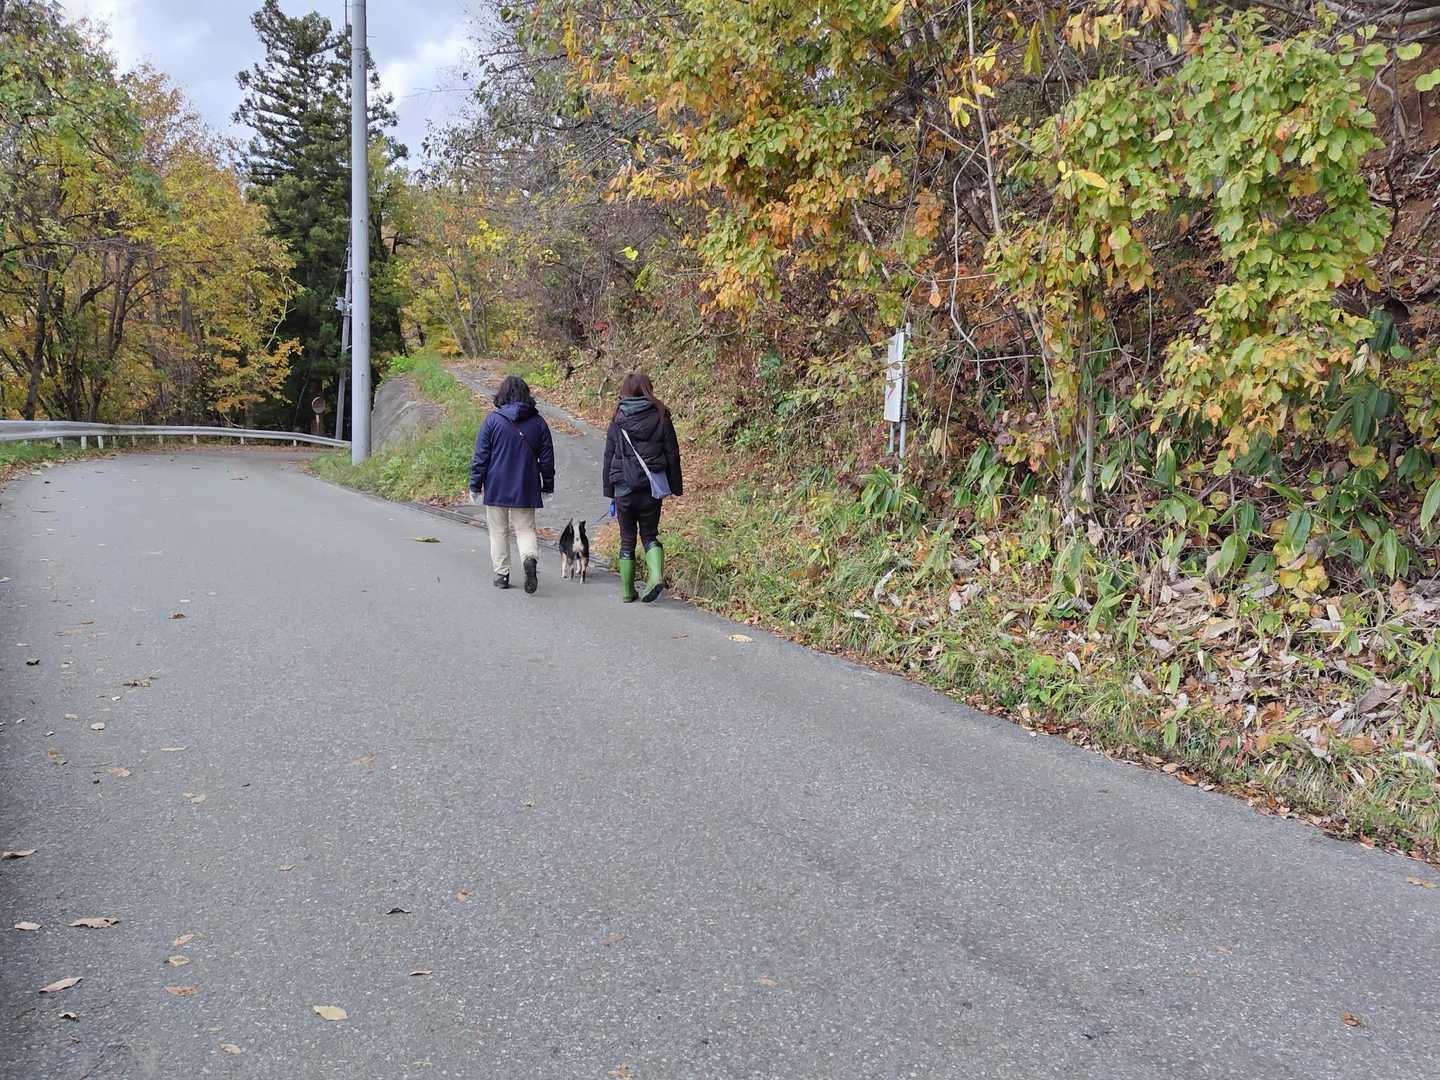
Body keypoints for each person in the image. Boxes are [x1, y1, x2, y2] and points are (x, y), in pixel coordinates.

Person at [469, 376, 555, 594]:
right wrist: (548, 485)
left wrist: (475, 485)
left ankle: (502, 574)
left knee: (498, 531)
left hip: (496, 483)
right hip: (526, 483)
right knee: (525, 529)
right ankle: (529, 558)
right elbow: (547, 459)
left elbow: (481, 457)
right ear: (527, 394)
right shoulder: (539, 423)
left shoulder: (492, 421)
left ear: (502, 394)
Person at [602, 372, 683, 603]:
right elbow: (672, 453)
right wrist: (675, 486)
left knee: (627, 539)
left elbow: (609, 455)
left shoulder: (618, 417)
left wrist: (609, 490)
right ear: (648, 389)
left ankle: (628, 591)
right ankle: (655, 576)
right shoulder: (661, 415)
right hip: (651, 486)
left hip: (623, 487)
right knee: (649, 534)